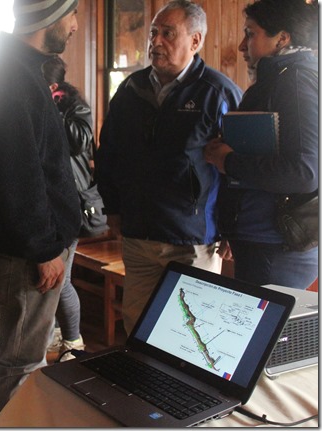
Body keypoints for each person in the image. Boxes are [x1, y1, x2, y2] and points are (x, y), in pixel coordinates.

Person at [94, 0, 242, 335]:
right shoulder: (130, 91)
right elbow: (109, 155)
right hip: (138, 234)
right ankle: (140, 388)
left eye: (167, 34)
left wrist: (234, 226)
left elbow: (238, 170)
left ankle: (183, 390)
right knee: (138, 328)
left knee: (191, 333)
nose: (155, 42)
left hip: (192, 239)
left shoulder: (217, 93)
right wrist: (114, 208)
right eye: (153, 33)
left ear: (195, 41)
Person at [0, 0, 80, 421]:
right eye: (71, 15)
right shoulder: (10, 78)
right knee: (21, 362)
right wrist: (44, 248)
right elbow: (17, 175)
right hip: (27, 252)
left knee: (26, 357)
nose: (73, 26)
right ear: (48, 15)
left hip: (34, 243)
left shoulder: (20, 71)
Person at [203, 0, 318, 290]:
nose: (242, 45)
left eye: (250, 34)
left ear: (282, 37)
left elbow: (305, 172)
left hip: (276, 243)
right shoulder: (280, 79)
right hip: (263, 237)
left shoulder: (295, 82)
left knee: (265, 333)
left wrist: (228, 161)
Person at [42, 55, 94, 361]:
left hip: (69, 202)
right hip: (45, 201)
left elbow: (80, 141)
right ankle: (53, 337)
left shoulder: (75, 105)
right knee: (49, 279)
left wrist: (52, 109)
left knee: (61, 279)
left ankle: (73, 342)